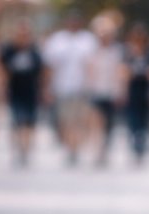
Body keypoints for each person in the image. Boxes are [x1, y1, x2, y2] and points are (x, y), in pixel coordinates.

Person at [42, 10, 98, 165]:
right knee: (65, 120)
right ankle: (69, 147)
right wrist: (47, 87)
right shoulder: (57, 40)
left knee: (78, 120)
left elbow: (92, 65)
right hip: (61, 88)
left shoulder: (88, 40)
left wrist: (91, 85)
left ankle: (75, 148)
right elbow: (50, 66)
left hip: (81, 88)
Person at [1, 19, 44, 167]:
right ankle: (17, 150)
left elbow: (41, 73)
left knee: (29, 123)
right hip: (14, 91)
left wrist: (43, 90)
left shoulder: (35, 51)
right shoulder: (8, 50)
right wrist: (1, 89)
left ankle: (26, 150)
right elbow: (3, 70)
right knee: (17, 121)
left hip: (31, 92)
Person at [86, 13, 124, 167]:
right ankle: (98, 150)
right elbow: (88, 71)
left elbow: (120, 72)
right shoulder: (92, 50)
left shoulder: (116, 51)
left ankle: (105, 149)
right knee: (97, 124)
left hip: (111, 93)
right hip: (96, 92)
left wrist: (121, 90)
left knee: (109, 124)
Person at [120, 23, 149, 161]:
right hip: (133, 89)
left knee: (144, 118)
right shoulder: (128, 52)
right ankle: (135, 142)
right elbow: (124, 72)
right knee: (133, 118)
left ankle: (141, 142)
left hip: (145, 89)